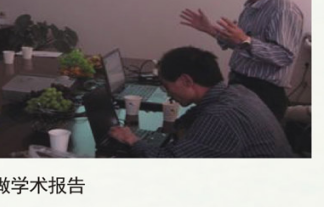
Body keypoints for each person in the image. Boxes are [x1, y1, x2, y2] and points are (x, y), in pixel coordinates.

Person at [180, 0, 304, 120]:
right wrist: (210, 29)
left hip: (263, 92)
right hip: (241, 85)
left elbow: (284, 56)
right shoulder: (252, 6)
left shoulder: (283, 9)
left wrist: (245, 40)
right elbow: (241, 45)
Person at [110, 47, 293, 158]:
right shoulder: (237, 91)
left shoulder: (219, 117)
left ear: (186, 81)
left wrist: (131, 139)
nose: (168, 93)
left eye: (167, 86)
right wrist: (179, 125)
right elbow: (198, 113)